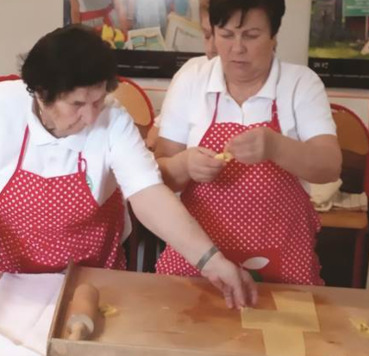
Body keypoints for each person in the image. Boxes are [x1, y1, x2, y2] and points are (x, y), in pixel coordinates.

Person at [0, 25, 256, 309]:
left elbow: (149, 194)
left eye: (97, 100)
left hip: (95, 282)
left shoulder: (113, 120)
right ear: (41, 93)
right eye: (77, 104)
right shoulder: (4, 108)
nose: (89, 116)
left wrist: (212, 261)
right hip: (12, 284)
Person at [154, 0, 341, 285]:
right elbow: (159, 177)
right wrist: (184, 165)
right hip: (197, 261)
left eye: (251, 35)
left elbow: (329, 166)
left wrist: (276, 147)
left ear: (273, 36)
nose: (237, 48)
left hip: (283, 264)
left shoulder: (300, 84)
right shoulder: (192, 79)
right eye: (226, 35)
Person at [145, 0, 217, 150]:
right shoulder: (191, 73)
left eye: (225, 35)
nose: (212, 48)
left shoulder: (278, 83)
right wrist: (185, 164)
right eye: (207, 35)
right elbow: (154, 144)